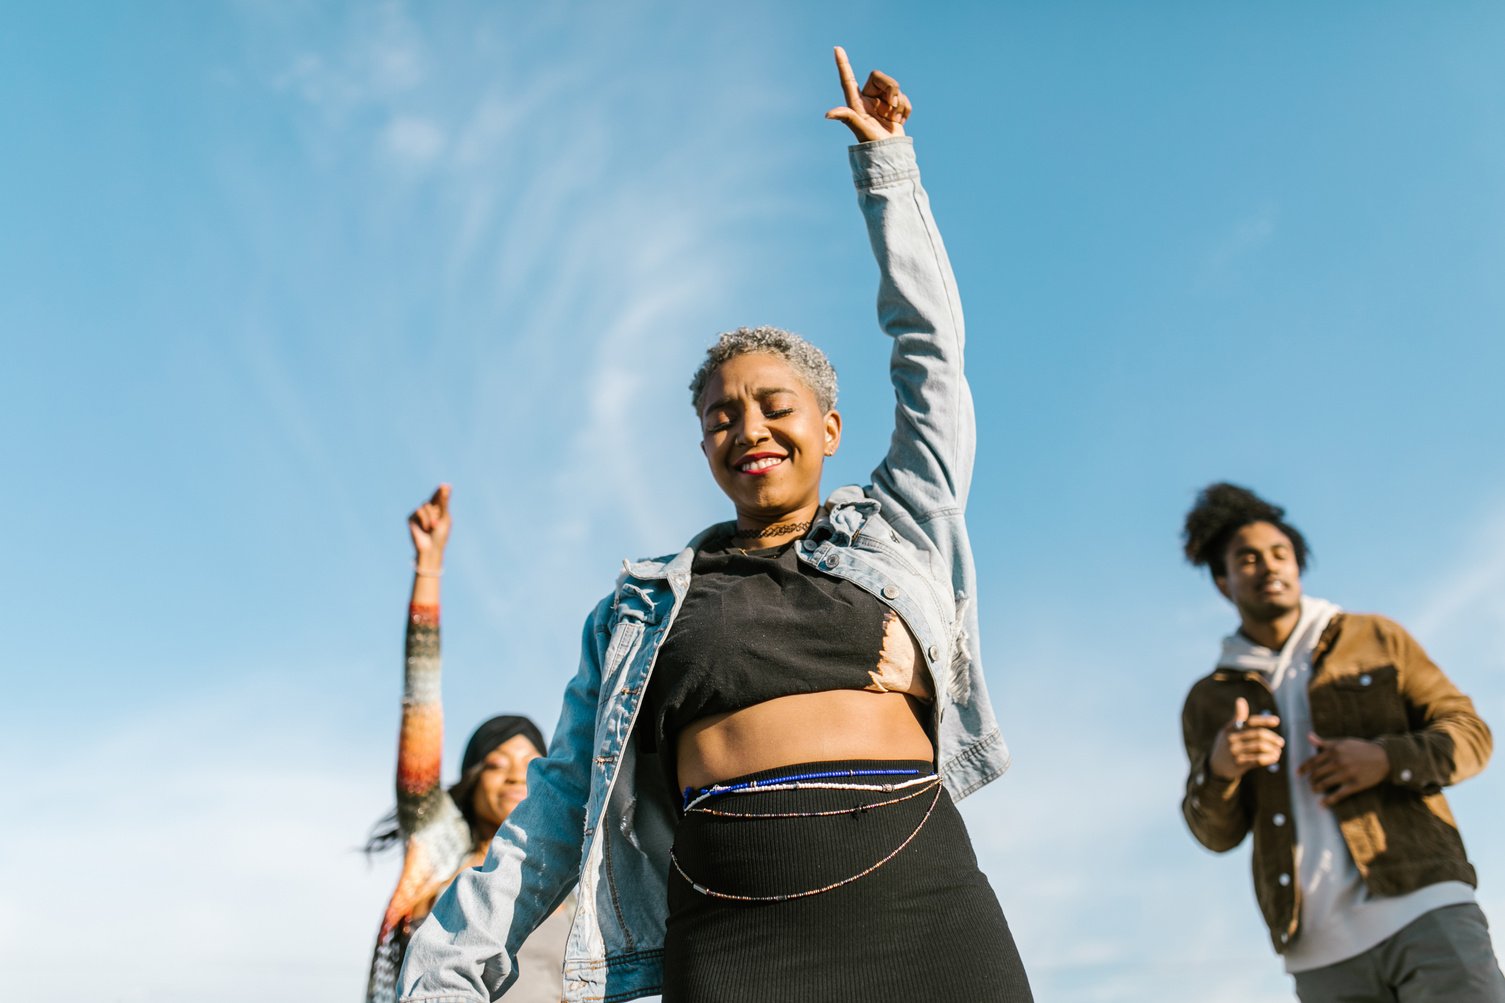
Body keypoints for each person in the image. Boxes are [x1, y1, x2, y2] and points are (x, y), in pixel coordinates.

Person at [397, 47, 1032, 1003]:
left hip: (920, 901)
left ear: (828, 427)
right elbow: (559, 804)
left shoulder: (902, 525)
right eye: (720, 417)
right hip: (733, 933)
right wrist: (444, 974)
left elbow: (931, 358)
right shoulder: (642, 607)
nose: (749, 429)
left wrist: (887, 173)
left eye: (774, 405)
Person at [1178, 482, 1504, 1002]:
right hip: (1319, 951)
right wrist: (1220, 770)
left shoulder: (1375, 637)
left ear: (1298, 565)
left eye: (1280, 553)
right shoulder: (1209, 699)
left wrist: (1385, 759)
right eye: (1248, 559)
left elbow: (1471, 734)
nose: (1269, 567)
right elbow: (1213, 833)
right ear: (1223, 582)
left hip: (1425, 905)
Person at [365, 484, 567, 1003]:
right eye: (496, 763)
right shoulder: (438, 850)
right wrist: (428, 571)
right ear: (471, 781)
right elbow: (422, 705)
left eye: (529, 762)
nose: (515, 773)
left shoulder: (568, 871)